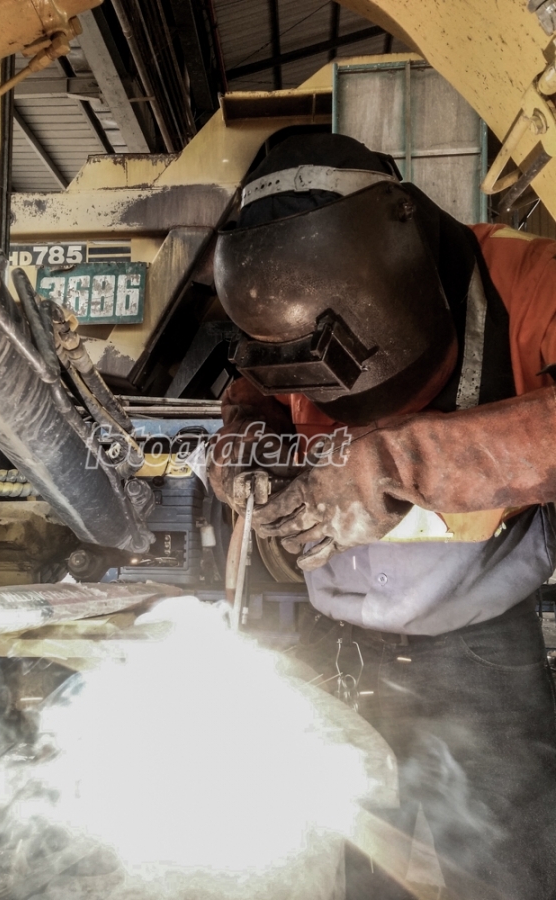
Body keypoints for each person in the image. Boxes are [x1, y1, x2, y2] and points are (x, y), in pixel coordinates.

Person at [208, 128, 556, 900]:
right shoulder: (282, 313)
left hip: (475, 653)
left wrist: (396, 466)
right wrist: (245, 436)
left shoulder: (529, 278)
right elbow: (253, 392)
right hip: (337, 646)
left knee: (500, 870)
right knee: (364, 860)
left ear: (400, 233)